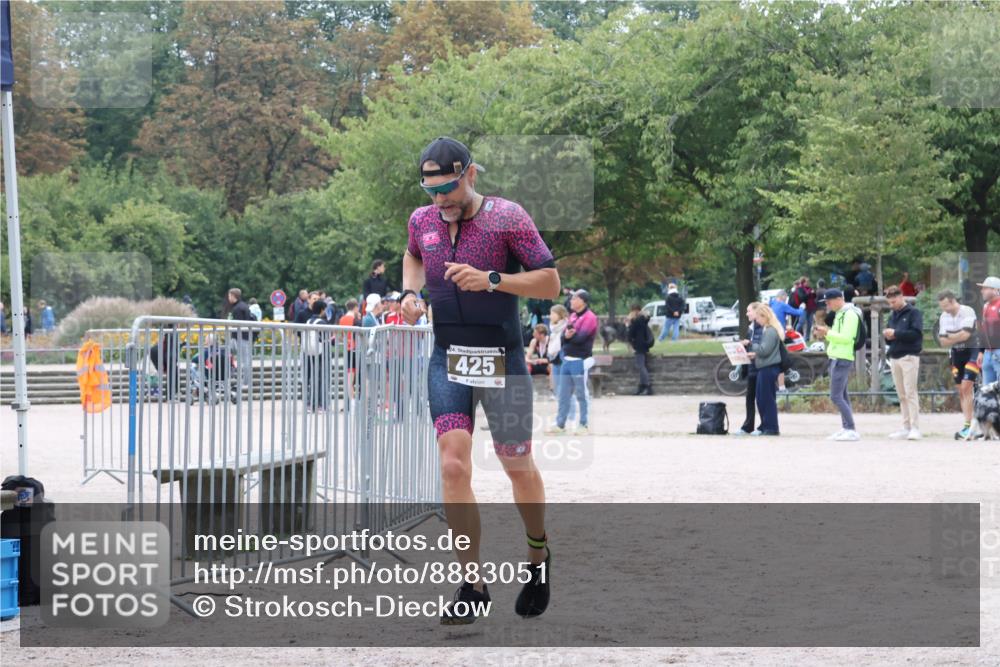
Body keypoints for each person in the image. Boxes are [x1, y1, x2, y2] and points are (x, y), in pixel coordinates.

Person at [400, 136, 560, 624]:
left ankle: (537, 558)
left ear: (471, 175)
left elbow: (550, 282)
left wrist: (493, 279)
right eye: (432, 190)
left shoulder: (507, 216)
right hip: (448, 356)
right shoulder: (421, 220)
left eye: (449, 187)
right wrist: (410, 295)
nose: (441, 199)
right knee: (452, 466)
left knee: (517, 464)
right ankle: (472, 581)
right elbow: (412, 256)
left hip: (502, 356)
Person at [813, 289, 861, 441]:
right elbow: (837, 336)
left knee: (835, 396)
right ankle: (846, 427)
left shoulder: (850, 314)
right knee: (843, 395)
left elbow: (847, 338)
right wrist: (826, 332)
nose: (827, 305)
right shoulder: (840, 314)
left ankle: (851, 429)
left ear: (839, 299)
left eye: (829, 301)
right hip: (835, 356)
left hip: (843, 357)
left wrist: (827, 333)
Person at [548, 289, 598, 435]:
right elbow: (563, 339)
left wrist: (569, 336)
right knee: (563, 395)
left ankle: (584, 424)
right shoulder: (573, 316)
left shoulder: (590, 317)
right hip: (566, 360)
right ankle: (560, 424)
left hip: (579, 360)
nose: (571, 301)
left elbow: (581, 339)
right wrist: (568, 336)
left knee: (581, 394)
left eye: (574, 299)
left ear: (583, 301)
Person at [937, 290, 980, 440]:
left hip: (972, 351)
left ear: (953, 300)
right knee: (962, 390)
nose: (944, 310)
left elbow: (966, 335)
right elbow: (942, 341)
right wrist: (956, 336)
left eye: (946, 306)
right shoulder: (944, 316)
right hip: (956, 354)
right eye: (942, 307)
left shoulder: (967, 311)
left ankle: (975, 424)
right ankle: (967, 425)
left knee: (967, 385)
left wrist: (951, 336)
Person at [883, 285, 923, 440]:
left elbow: (916, 334)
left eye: (894, 302)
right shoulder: (892, 315)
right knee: (901, 394)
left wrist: (896, 333)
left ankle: (915, 427)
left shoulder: (914, 313)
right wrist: (888, 335)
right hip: (895, 356)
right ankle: (905, 426)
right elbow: (891, 333)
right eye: (890, 303)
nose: (891, 305)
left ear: (901, 297)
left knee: (910, 392)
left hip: (909, 356)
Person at [743, 302, 784, 436]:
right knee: (762, 398)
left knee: (767, 399)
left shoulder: (770, 331)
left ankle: (771, 427)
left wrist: (751, 345)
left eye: (759, 318)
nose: (757, 321)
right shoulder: (769, 330)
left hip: (768, 368)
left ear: (764, 317)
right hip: (765, 367)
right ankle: (766, 426)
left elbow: (764, 350)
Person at [733, 303, 763, 436]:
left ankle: (763, 426)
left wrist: (749, 343)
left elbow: (762, 346)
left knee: (761, 398)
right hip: (751, 366)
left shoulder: (762, 327)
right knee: (750, 397)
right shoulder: (751, 328)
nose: (747, 314)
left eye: (749, 311)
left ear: (756, 312)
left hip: (760, 366)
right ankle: (748, 426)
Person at [224, 288, 255, 390]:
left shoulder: (238, 308)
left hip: (241, 338)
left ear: (234, 296)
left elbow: (238, 324)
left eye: (229, 296)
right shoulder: (242, 306)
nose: (228, 298)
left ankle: (246, 382)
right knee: (228, 354)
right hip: (240, 337)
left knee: (245, 360)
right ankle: (238, 377)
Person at [626, 304, 654, 395]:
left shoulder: (636, 321)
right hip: (644, 344)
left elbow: (631, 333)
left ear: (635, 311)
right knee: (642, 366)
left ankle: (647, 385)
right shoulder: (643, 319)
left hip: (639, 345)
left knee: (641, 366)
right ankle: (642, 386)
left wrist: (629, 323)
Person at [978, 276, 1000, 386]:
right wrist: (981, 351)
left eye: (986, 288)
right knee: (987, 390)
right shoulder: (986, 306)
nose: (982, 291)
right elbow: (984, 331)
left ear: (996, 290)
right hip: (988, 353)